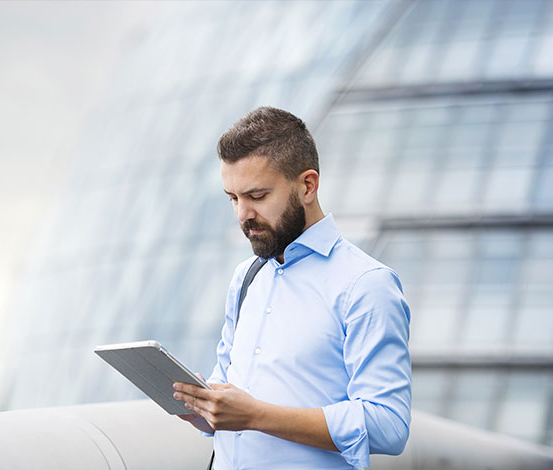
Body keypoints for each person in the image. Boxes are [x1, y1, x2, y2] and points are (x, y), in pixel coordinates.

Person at [172, 107, 411, 470]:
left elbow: (388, 424)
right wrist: (202, 409)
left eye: (257, 195)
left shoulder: (365, 285)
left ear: (307, 186)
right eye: (233, 198)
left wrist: (255, 415)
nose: (242, 214)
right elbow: (228, 397)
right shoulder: (247, 277)